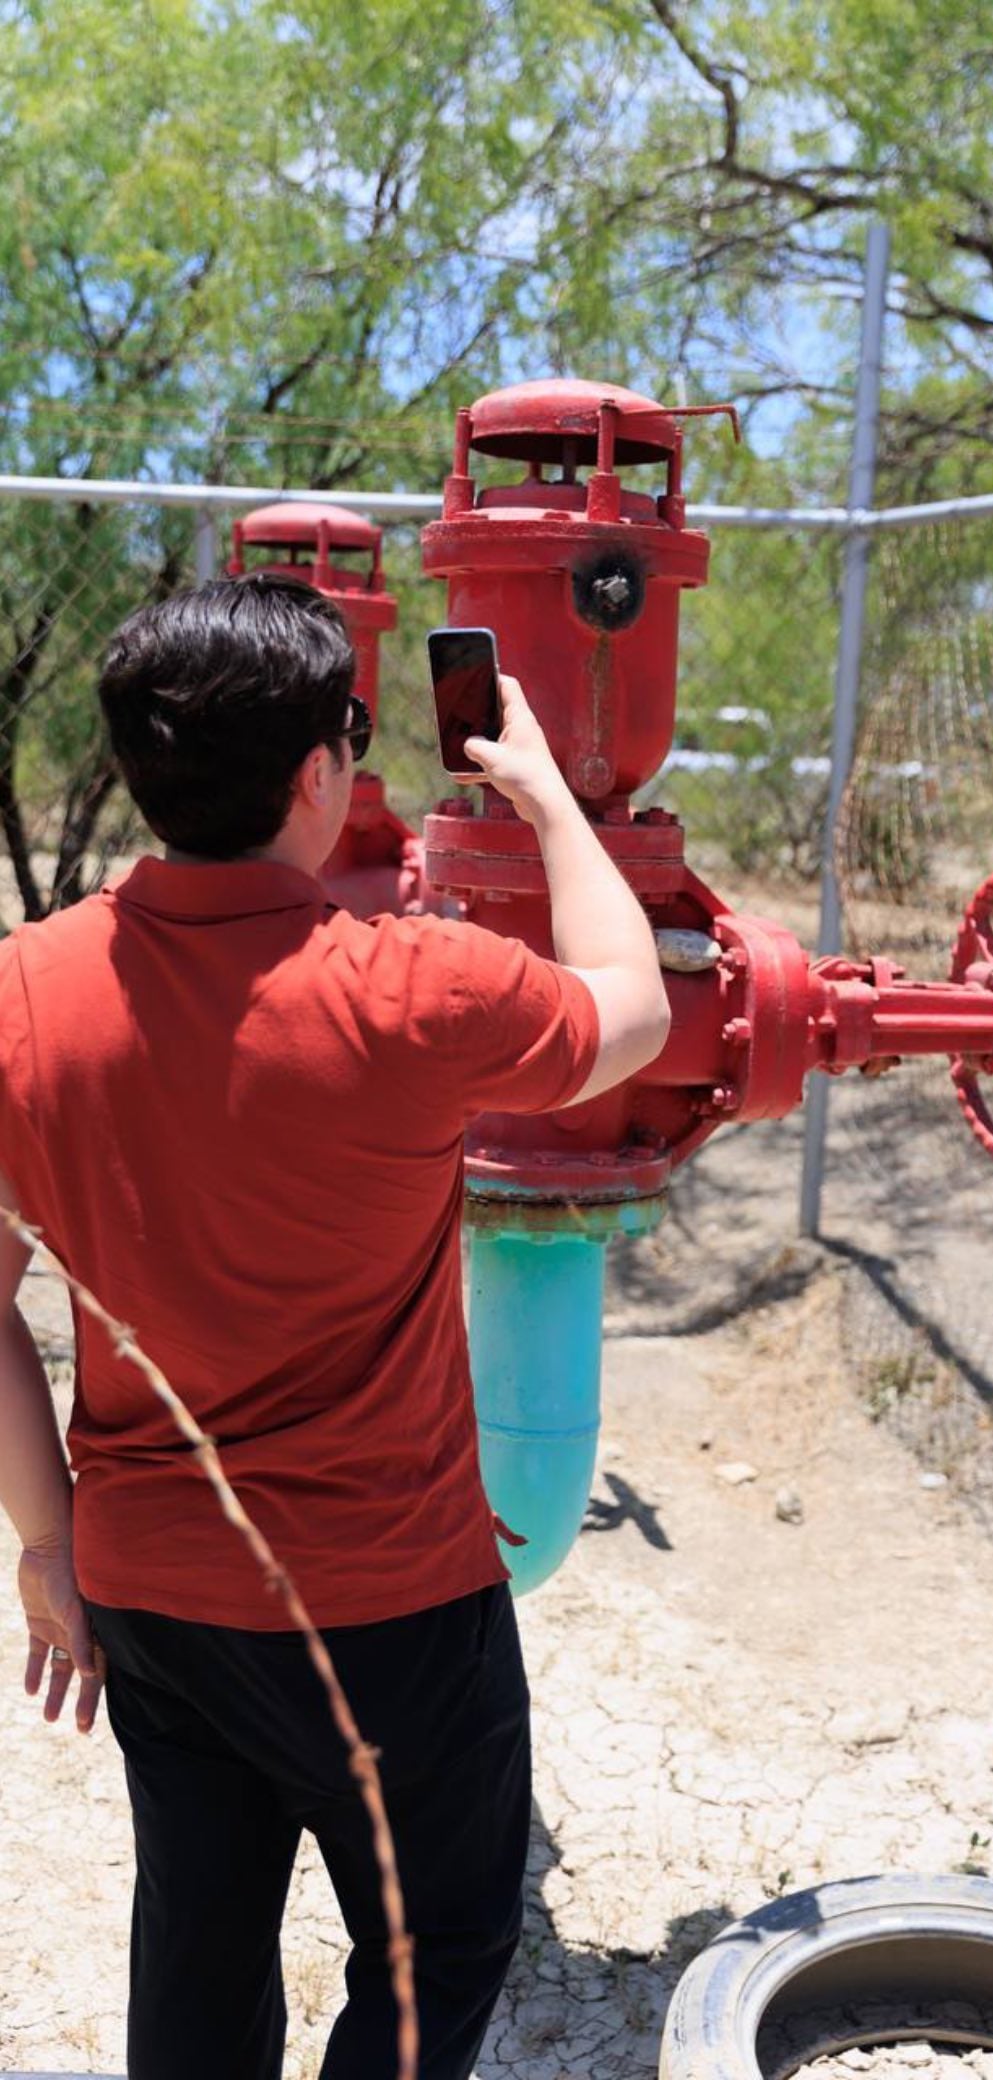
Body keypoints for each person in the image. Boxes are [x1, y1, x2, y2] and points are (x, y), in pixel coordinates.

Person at [0, 572, 670, 2080]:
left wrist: (47, 1543)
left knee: (200, 1944)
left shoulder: (21, 996)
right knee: (438, 1953)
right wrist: (549, 802)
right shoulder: (415, 989)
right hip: (392, 1608)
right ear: (318, 773)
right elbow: (627, 1005)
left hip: (156, 1591)